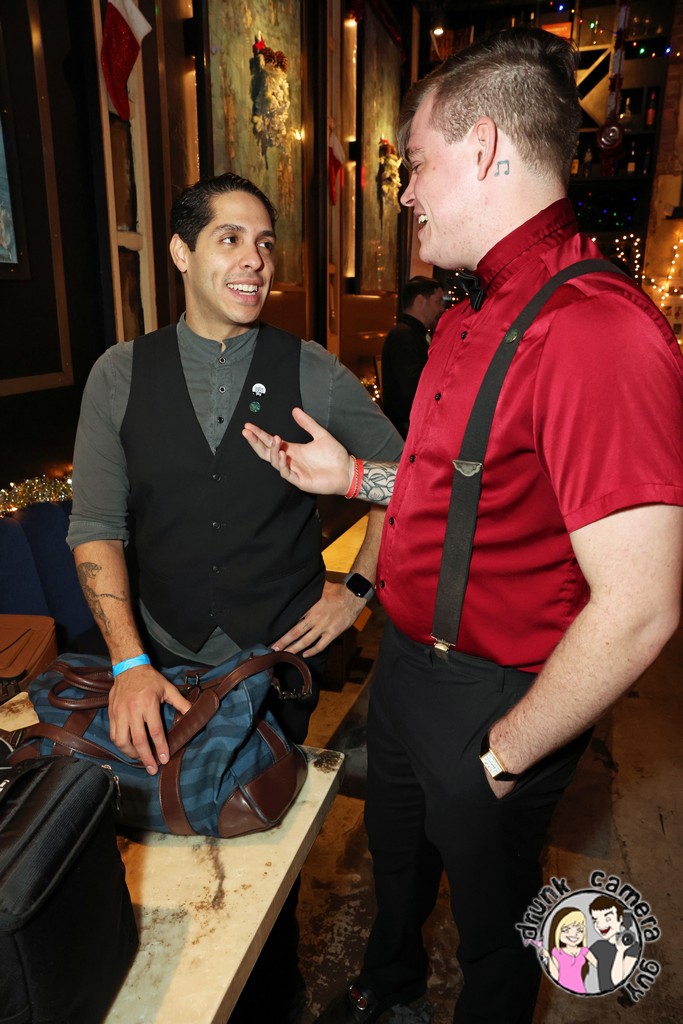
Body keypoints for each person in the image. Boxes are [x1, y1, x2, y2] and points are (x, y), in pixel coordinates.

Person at [243, 27, 683, 1024]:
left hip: (495, 696)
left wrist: (503, 753)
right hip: (405, 669)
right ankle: (387, 990)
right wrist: (353, 475)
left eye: (415, 163)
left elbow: (640, 608)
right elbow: (461, 488)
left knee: (497, 925)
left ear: (483, 148)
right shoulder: (464, 313)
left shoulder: (595, 330)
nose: (404, 191)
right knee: (394, 865)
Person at [67, 171, 403, 1023]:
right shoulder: (119, 374)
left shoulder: (310, 369)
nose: (255, 260)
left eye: (264, 244)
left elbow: (405, 479)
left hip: (274, 662)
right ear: (181, 252)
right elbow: (95, 527)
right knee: (157, 843)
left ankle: (272, 997)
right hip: (160, 660)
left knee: (262, 848)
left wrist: (356, 589)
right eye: (229, 239)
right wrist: (128, 663)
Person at [381, 275, 444, 437]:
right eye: (438, 301)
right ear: (420, 301)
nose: (441, 309)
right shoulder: (402, 336)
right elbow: (414, 388)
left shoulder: (416, 334)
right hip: (405, 431)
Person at [588, 895, 641, 991]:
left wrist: (620, 951)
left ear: (620, 919)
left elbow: (617, 981)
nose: (600, 925)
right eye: (595, 920)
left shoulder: (633, 947)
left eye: (607, 919)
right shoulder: (598, 946)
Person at [542, 907, 596, 995]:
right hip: (561, 992)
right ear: (557, 931)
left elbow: (600, 966)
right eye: (566, 930)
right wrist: (547, 957)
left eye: (580, 930)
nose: (574, 934)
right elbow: (555, 976)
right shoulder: (556, 952)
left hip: (580, 991)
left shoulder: (584, 951)